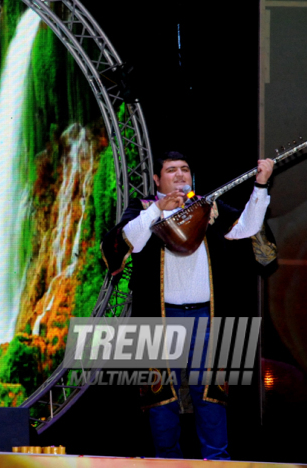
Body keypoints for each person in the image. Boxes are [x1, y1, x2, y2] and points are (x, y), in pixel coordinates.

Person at [102, 152, 276, 460]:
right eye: (171, 170)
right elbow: (125, 242)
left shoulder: (208, 207)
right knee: (161, 406)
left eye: (185, 169)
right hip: (159, 320)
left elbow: (247, 229)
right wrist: (158, 209)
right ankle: (167, 465)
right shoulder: (144, 209)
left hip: (205, 319)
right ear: (157, 180)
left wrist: (261, 186)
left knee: (211, 400)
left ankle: (217, 465)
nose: (180, 175)